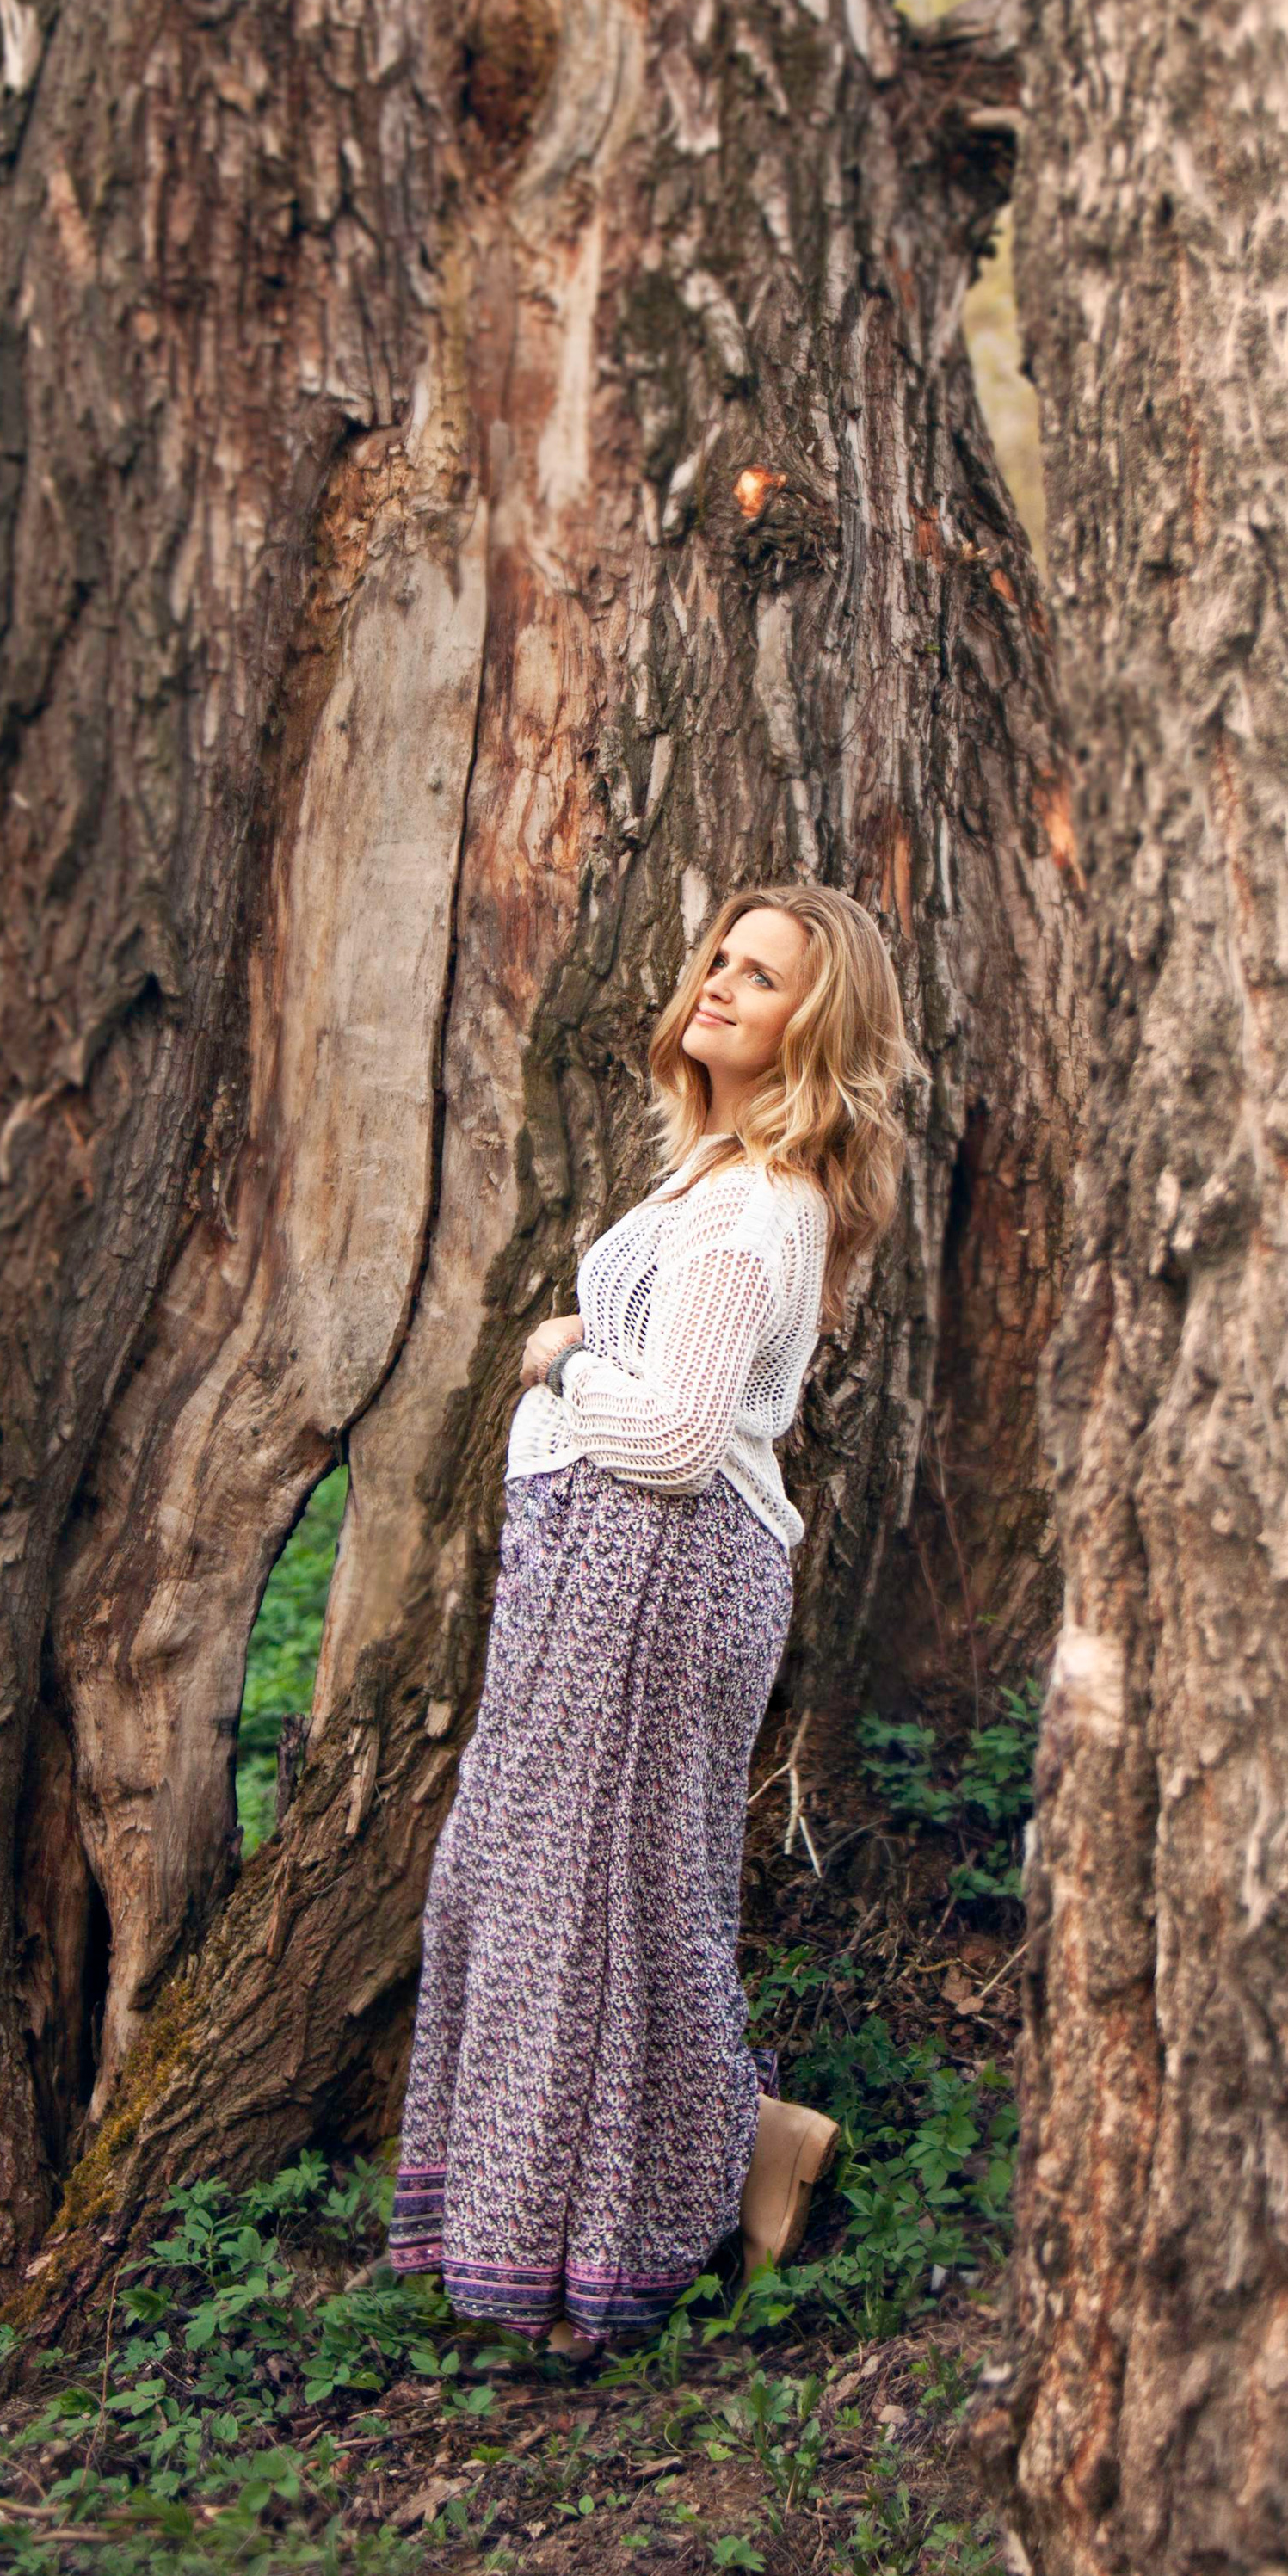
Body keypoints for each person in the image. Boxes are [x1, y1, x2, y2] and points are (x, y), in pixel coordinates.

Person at [389, 883, 911, 2363]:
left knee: (585, 1907)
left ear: (814, 1026)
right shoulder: (713, 1177)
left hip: (652, 1571)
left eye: (767, 977)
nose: (725, 987)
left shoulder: (756, 1205)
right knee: (577, 1896)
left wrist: (556, 1358)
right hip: (613, 1572)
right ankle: (737, 2153)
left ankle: (605, 2259)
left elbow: (679, 1439)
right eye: (724, 960)